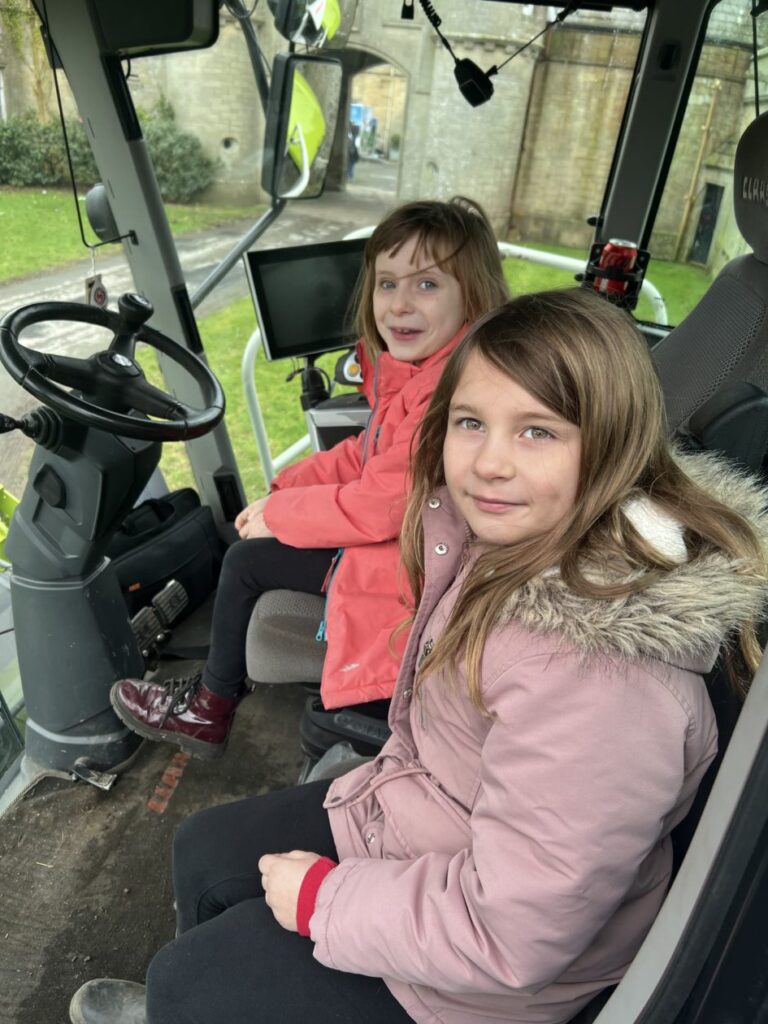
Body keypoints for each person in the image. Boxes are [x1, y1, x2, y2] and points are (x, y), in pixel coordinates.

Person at [71, 289, 768, 1024]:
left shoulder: (602, 679)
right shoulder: (509, 541)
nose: (489, 463)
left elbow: (512, 932)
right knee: (203, 849)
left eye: (537, 431)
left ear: (614, 447)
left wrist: (323, 900)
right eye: (471, 422)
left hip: (485, 977)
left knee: (192, 977)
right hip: (431, 810)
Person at [110, 196, 509, 759]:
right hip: (417, 544)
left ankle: (209, 707)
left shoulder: (443, 393)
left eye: (426, 284)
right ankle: (218, 689)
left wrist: (280, 516)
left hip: (421, 567)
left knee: (245, 561)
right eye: (387, 284)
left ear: (474, 294)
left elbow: (380, 505)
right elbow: (366, 454)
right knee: (252, 541)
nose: (399, 304)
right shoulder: (421, 375)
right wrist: (288, 487)